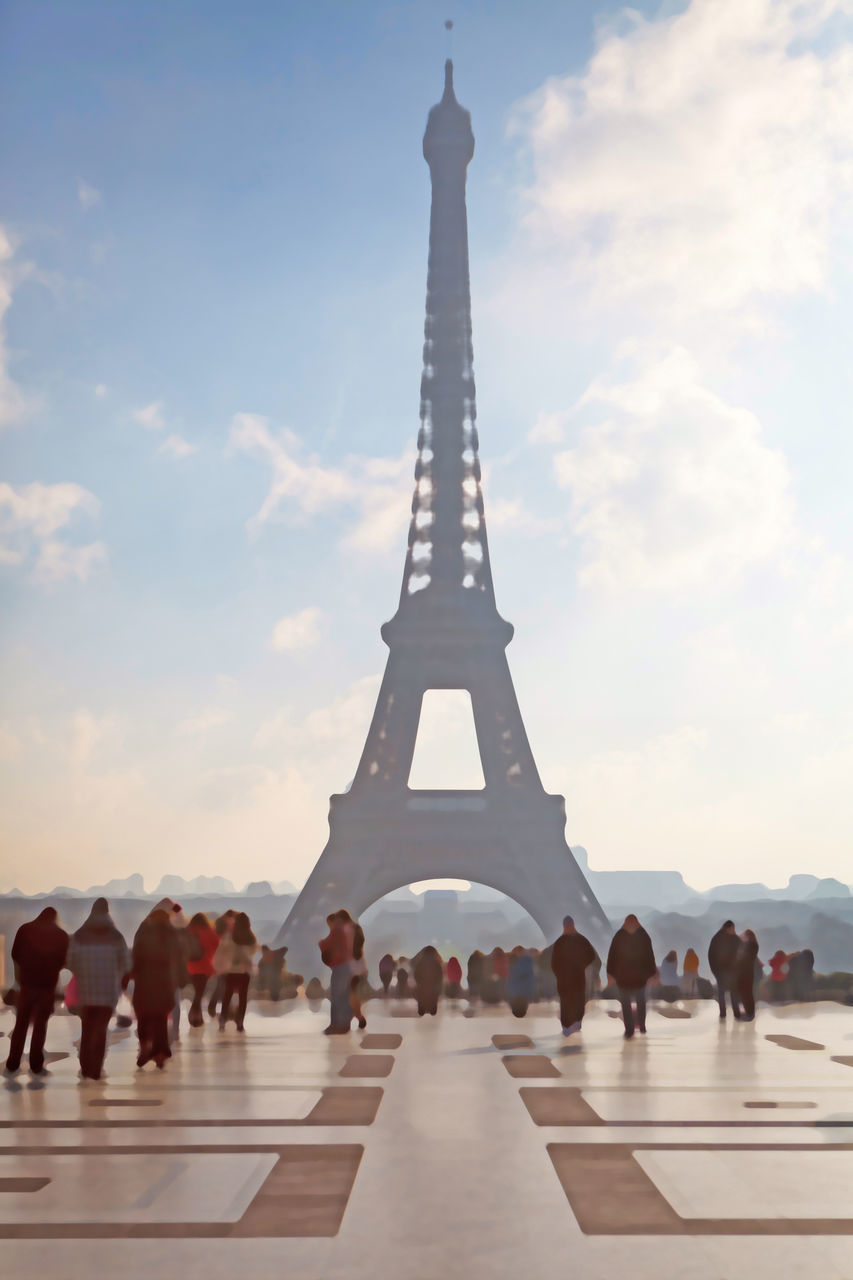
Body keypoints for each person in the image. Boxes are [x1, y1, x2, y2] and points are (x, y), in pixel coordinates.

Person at [67, 898, 131, 1081]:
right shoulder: (116, 936)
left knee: (87, 1029)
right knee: (101, 1031)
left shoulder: (79, 935)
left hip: (85, 993)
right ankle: (95, 1068)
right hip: (108, 993)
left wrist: (82, 972)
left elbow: (70, 962)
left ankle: (85, 1066)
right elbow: (126, 964)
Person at [4, 907, 68, 1077]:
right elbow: (64, 960)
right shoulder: (61, 935)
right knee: (40, 1025)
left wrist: (22, 972)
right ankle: (36, 1063)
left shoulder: (25, 929)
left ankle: (13, 1061)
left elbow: (15, 954)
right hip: (47, 987)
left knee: (21, 1024)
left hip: (27, 985)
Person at [131, 908, 182, 1068]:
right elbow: (179, 957)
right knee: (160, 1018)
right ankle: (160, 1054)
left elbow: (135, 957)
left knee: (143, 1016)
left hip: (144, 982)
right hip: (165, 982)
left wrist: (129, 975)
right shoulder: (171, 934)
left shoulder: (143, 931)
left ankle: (145, 1044)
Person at [606, 914, 657, 1040]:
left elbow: (612, 956)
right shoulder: (643, 936)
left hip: (623, 977)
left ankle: (629, 1029)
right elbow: (649, 956)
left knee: (626, 1003)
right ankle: (642, 1026)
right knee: (641, 1002)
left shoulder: (619, 936)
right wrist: (650, 973)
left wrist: (611, 973)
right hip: (640, 977)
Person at [550, 916, 596, 1035]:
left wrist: (559, 973)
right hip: (578, 977)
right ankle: (577, 1022)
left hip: (564, 978)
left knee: (566, 1001)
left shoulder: (560, 942)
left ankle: (566, 1025)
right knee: (578, 999)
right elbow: (591, 955)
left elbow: (554, 962)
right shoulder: (581, 940)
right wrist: (581, 965)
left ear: (564, 926)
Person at [217, 911, 257, 1031]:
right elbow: (252, 952)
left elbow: (222, 951)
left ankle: (223, 1020)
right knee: (242, 997)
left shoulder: (230, 937)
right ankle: (240, 1023)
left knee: (227, 995)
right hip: (244, 972)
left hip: (231, 971)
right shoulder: (251, 938)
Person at [318, 910, 353, 1034]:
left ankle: (337, 1025)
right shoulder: (345, 931)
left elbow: (326, 943)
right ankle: (344, 1024)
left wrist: (321, 943)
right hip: (346, 967)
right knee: (343, 996)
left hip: (339, 967)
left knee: (337, 996)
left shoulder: (337, 931)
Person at [185, 912, 219, 1026]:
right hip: (204, 967)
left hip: (190, 967)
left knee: (198, 993)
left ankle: (197, 1018)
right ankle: (194, 1018)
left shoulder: (188, 930)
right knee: (199, 994)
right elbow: (217, 945)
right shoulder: (209, 931)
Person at [708, 920, 741, 1019]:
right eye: (733, 929)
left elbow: (710, 955)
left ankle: (723, 1013)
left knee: (722, 993)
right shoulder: (733, 938)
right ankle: (736, 1013)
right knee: (733, 992)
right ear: (729, 928)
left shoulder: (716, 938)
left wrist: (715, 971)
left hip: (721, 971)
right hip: (730, 971)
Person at [207, 910, 236, 1018]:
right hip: (223, 964)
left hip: (226, 964)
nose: (232, 924)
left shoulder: (228, 933)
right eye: (231, 922)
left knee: (223, 986)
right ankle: (226, 1010)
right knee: (224, 986)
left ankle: (216, 1008)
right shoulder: (222, 933)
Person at [735, 929, 760, 1021]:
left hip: (746, 973)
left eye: (744, 936)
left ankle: (750, 1013)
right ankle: (748, 1011)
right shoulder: (752, 945)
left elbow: (744, 958)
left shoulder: (752, 946)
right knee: (745, 993)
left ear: (748, 937)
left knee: (747, 993)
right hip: (746, 973)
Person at [506, 946, 537, 1018]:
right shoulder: (512, 993)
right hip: (523, 961)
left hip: (524, 961)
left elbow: (531, 980)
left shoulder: (528, 994)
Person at [413, 945, 443, 1016]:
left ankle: (422, 1010)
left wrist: (419, 982)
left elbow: (416, 974)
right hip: (433, 985)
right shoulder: (436, 962)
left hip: (422, 985)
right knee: (433, 997)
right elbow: (440, 975)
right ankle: (432, 1009)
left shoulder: (420, 962)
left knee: (422, 997)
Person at [349, 921, 368, 1030]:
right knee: (353, 996)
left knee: (352, 996)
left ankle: (358, 1016)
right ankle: (358, 1016)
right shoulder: (358, 946)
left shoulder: (350, 945)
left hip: (354, 973)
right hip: (360, 972)